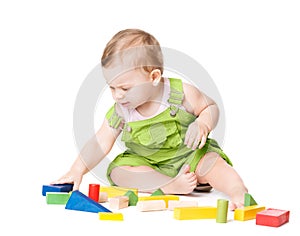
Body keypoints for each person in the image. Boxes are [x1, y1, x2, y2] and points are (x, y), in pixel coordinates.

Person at [52, 28, 248, 210]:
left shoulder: (181, 93)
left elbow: (210, 107)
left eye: (125, 88)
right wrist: (77, 170)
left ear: (154, 77)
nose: (117, 96)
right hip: (147, 163)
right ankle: (169, 184)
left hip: (188, 157)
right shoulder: (121, 110)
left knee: (212, 163)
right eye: (112, 87)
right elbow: (101, 141)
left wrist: (203, 123)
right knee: (118, 172)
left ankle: (238, 192)